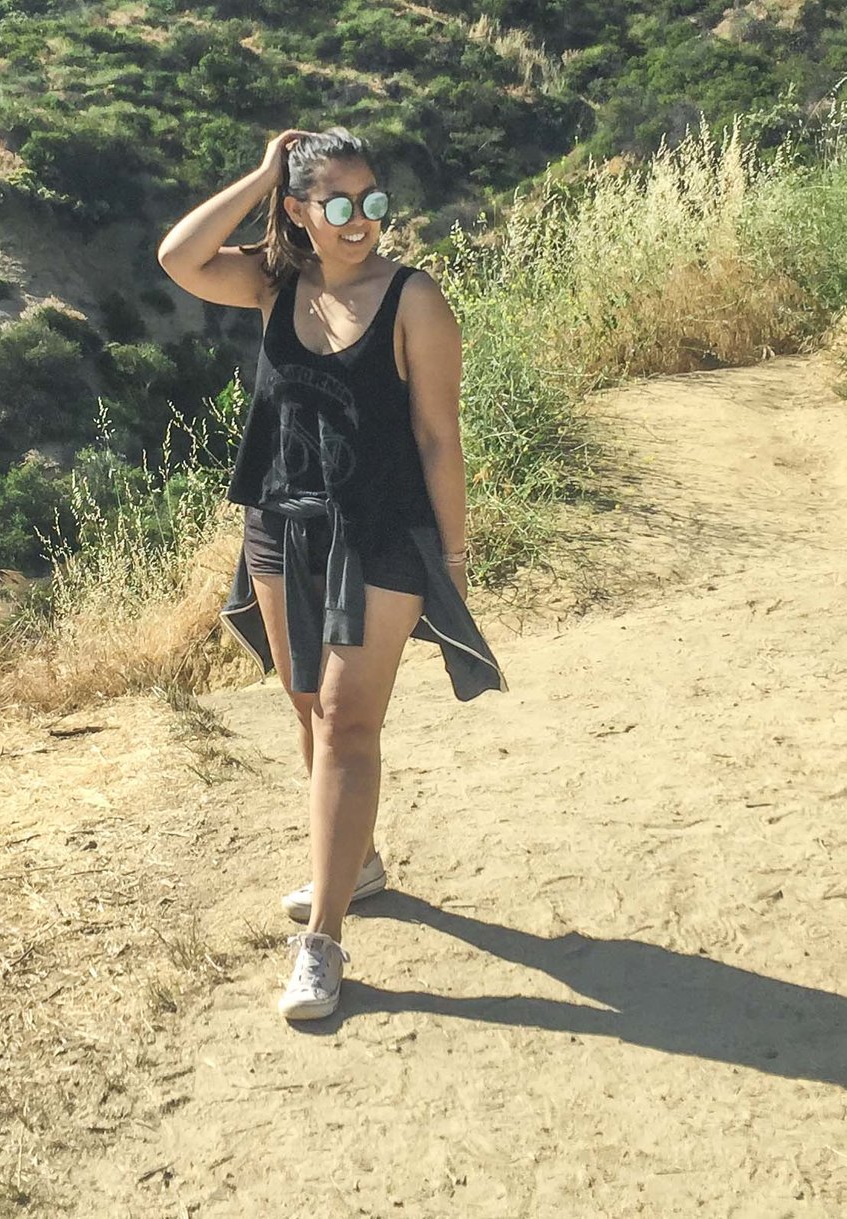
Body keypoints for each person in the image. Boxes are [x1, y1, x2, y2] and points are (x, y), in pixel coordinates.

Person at [157, 127, 504, 1023]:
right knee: (308, 706)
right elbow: (179, 255)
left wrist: (453, 558)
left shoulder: (413, 299)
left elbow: (438, 435)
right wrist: (261, 175)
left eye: (374, 201)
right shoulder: (274, 285)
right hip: (278, 524)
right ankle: (360, 861)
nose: (362, 222)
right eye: (340, 204)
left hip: (382, 534)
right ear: (301, 212)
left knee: (350, 723)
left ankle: (324, 942)